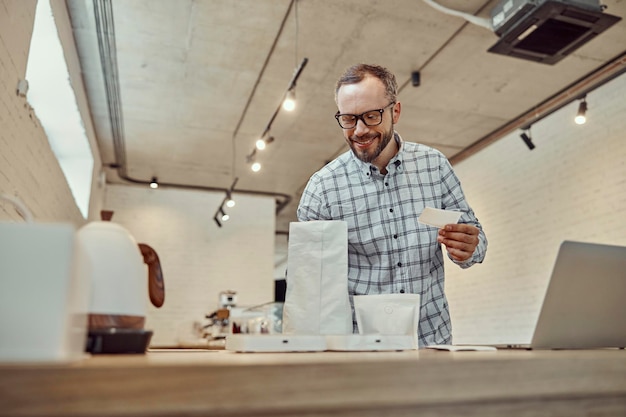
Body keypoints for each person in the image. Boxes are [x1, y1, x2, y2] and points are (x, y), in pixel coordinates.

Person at [297, 63, 487, 347]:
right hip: (359, 350)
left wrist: (469, 247)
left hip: (432, 342)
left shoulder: (434, 166)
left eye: (371, 116)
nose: (359, 130)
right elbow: (305, 282)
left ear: (395, 111)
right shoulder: (323, 188)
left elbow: (476, 239)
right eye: (348, 119)